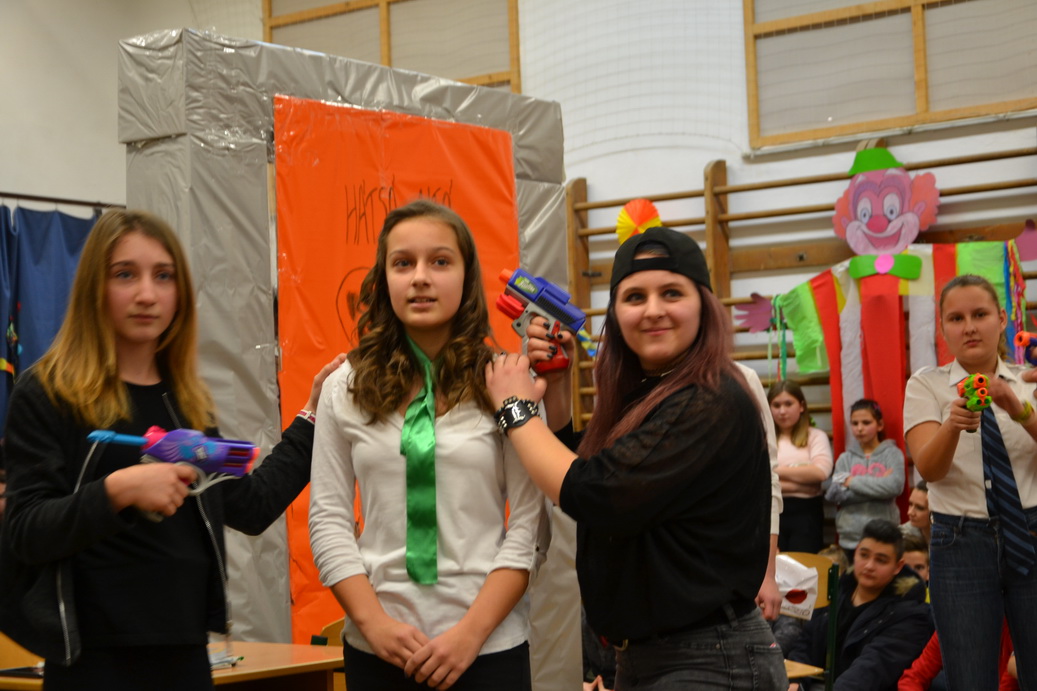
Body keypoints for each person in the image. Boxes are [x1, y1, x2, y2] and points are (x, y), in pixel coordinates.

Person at [0, 209, 345, 690]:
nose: (147, 294)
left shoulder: (186, 404)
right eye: (125, 274)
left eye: (163, 276)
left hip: (186, 656)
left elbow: (250, 504)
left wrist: (312, 415)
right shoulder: (47, 392)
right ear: (94, 286)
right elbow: (24, 531)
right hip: (91, 663)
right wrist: (117, 490)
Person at [486, 226, 787, 689]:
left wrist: (515, 409)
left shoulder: (711, 399)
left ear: (704, 305)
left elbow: (593, 493)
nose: (652, 310)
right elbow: (582, 466)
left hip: (706, 661)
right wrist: (559, 384)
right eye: (634, 297)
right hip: (650, 659)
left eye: (672, 293)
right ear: (615, 314)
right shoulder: (652, 393)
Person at [307, 200, 550, 691]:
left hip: (489, 650)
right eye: (403, 263)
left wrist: (471, 634)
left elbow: (531, 526)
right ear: (384, 280)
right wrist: (374, 624)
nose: (420, 278)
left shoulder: (507, 382)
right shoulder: (343, 387)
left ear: (466, 276)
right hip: (378, 652)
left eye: (440, 261)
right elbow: (328, 518)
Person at [903, 274, 1037, 690]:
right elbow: (930, 469)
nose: (970, 327)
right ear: (943, 328)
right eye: (956, 318)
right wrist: (952, 425)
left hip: (1031, 531)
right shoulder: (926, 384)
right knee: (970, 678)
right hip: (960, 542)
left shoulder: (1029, 380)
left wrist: (1018, 408)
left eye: (980, 314)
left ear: (1002, 319)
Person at [787, 519, 933, 691]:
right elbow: (806, 643)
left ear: (898, 566)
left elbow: (871, 669)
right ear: (855, 552)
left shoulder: (912, 614)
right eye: (864, 555)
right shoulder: (836, 591)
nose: (869, 566)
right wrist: (796, 682)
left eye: (881, 560)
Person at [825, 399, 904, 564]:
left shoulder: (893, 454)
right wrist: (880, 485)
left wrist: (851, 481)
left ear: (880, 425)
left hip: (885, 536)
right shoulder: (845, 458)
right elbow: (835, 495)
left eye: (866, 422)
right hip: (850, 538)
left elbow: (895, 486)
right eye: (855, 423)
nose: (859, 428)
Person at [769, 380, 834, 554]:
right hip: (771, 510)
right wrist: (802, 481)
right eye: (776, 405)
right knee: (774, 565)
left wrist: (775, 471)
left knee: (803, 564)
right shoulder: (764, 438)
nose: (782, 411)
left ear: (802, 406)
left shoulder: (816, 436)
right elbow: (756, 479)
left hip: (806, 513)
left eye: (788, 404)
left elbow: (820, 473)